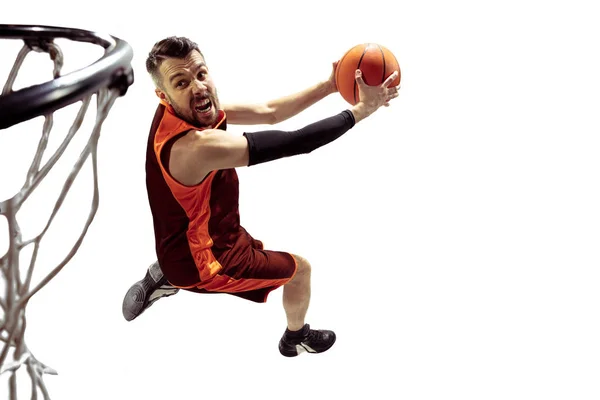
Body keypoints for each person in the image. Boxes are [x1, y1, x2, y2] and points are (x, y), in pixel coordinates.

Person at [122, 36, 400, 357]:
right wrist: (363, 109)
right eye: (181, 82)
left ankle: (168, 272)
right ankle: (295, 337)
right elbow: (294, 142)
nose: (197, 87)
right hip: (210, 263)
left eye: (201, 74)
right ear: (163, 94)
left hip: (212, 235)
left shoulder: (187, 113)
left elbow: (269, 112)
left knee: (202, 230)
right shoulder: (195, 147)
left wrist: (329, 86)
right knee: (300, 270)